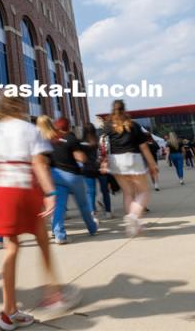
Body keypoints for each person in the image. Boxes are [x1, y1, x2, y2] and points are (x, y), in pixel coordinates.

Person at [0, 98, 81, 329]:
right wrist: (49, 191)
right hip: (23, 186)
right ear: (20, 106)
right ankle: (54, 293)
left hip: (1, 187)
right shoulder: (28, 128)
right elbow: (39, 163)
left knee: (11, 247)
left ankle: (8, 311)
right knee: (42, 240)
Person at [38, 116, 98, 245]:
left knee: (59, 205)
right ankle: (92, 228)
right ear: (68, 127)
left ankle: (59, 234)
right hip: (73, 176)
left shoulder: (51, 140)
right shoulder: (71, 138)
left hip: (56, 176)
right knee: (83, 204)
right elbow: (80, 158)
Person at [102, 100, 158, 237]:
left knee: (128, 193)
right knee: (143, 191)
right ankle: (133, 216)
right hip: (133, 159)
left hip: (116, 161)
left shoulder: (108, 127)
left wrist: (104, 163)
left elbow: (103, 146)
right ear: (124, 110)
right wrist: (152, 164)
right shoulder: (133, 125)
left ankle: (133, 225)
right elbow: (144, 147)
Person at [80, 123, 112, 219]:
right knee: (105, 191)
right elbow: (105, 153)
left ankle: (93, 214)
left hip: (88, 169)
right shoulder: (99, 140)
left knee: (90, 192)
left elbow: (80, 157)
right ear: (94, 130)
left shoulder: (81, 142)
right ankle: (108, 212)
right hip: (100, 167)